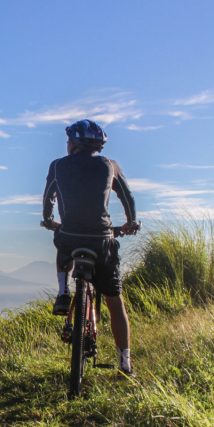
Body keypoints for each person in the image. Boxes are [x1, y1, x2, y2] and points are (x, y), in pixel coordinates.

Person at [42, 119, 138, 375]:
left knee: (61, 243)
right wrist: (130, 222)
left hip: (70, 237)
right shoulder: (110, 165)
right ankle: (125, 365)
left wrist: (50, 220)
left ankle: (63, 292)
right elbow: (127, 197)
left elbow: (48, 196)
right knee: (115, 302)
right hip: (102, 241)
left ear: (73, 143)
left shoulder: (58, 165)